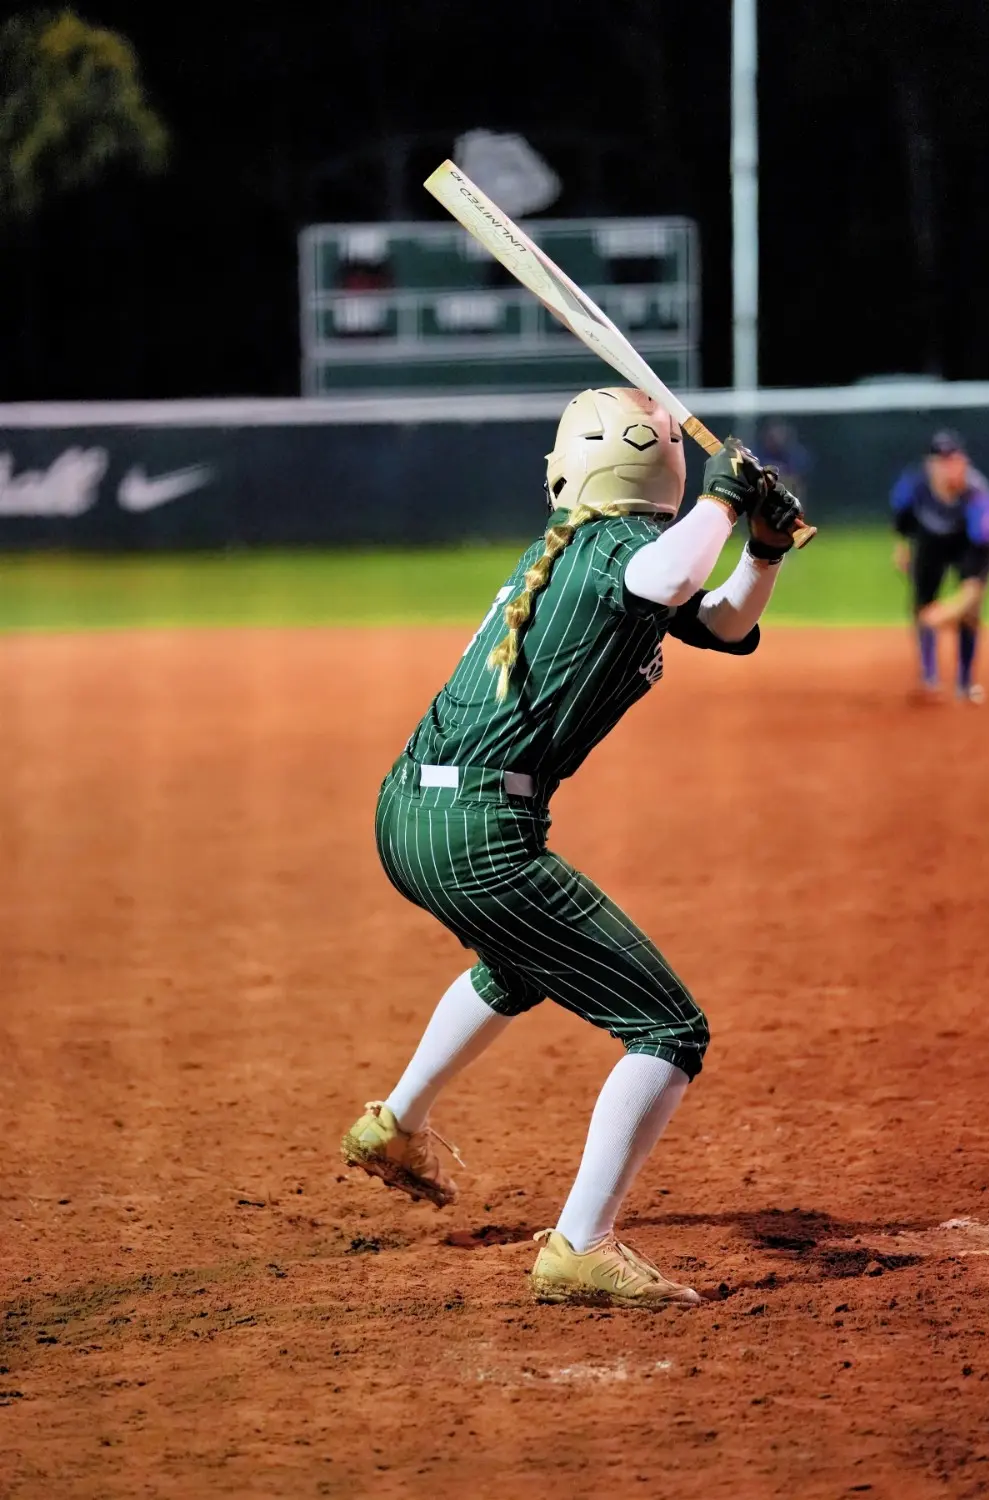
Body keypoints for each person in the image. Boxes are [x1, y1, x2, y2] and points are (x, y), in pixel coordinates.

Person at [341, 388, 805, 1309]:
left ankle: (396, 1124)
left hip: (415, 813)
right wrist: (722, 497)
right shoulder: (614, 553)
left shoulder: (599, 552)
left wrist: (761, 547)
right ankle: (580, 1246)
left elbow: (719, 620)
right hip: (479, 831)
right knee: (669, 1028)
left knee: (520, 967)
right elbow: (673, 580)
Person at [891, 429, 989, 703]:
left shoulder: (979, 499)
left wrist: (944, 614)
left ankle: (965, 683)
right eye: (942, 460)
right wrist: (902, 546)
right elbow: (902, 520)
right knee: (922, 601)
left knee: (969, 612)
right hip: (930, 543)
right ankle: (930, 680)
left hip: (968, 545)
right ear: (930, 465)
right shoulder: (915, 487)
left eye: (955, 459)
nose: (950, 467)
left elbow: (976, 584)